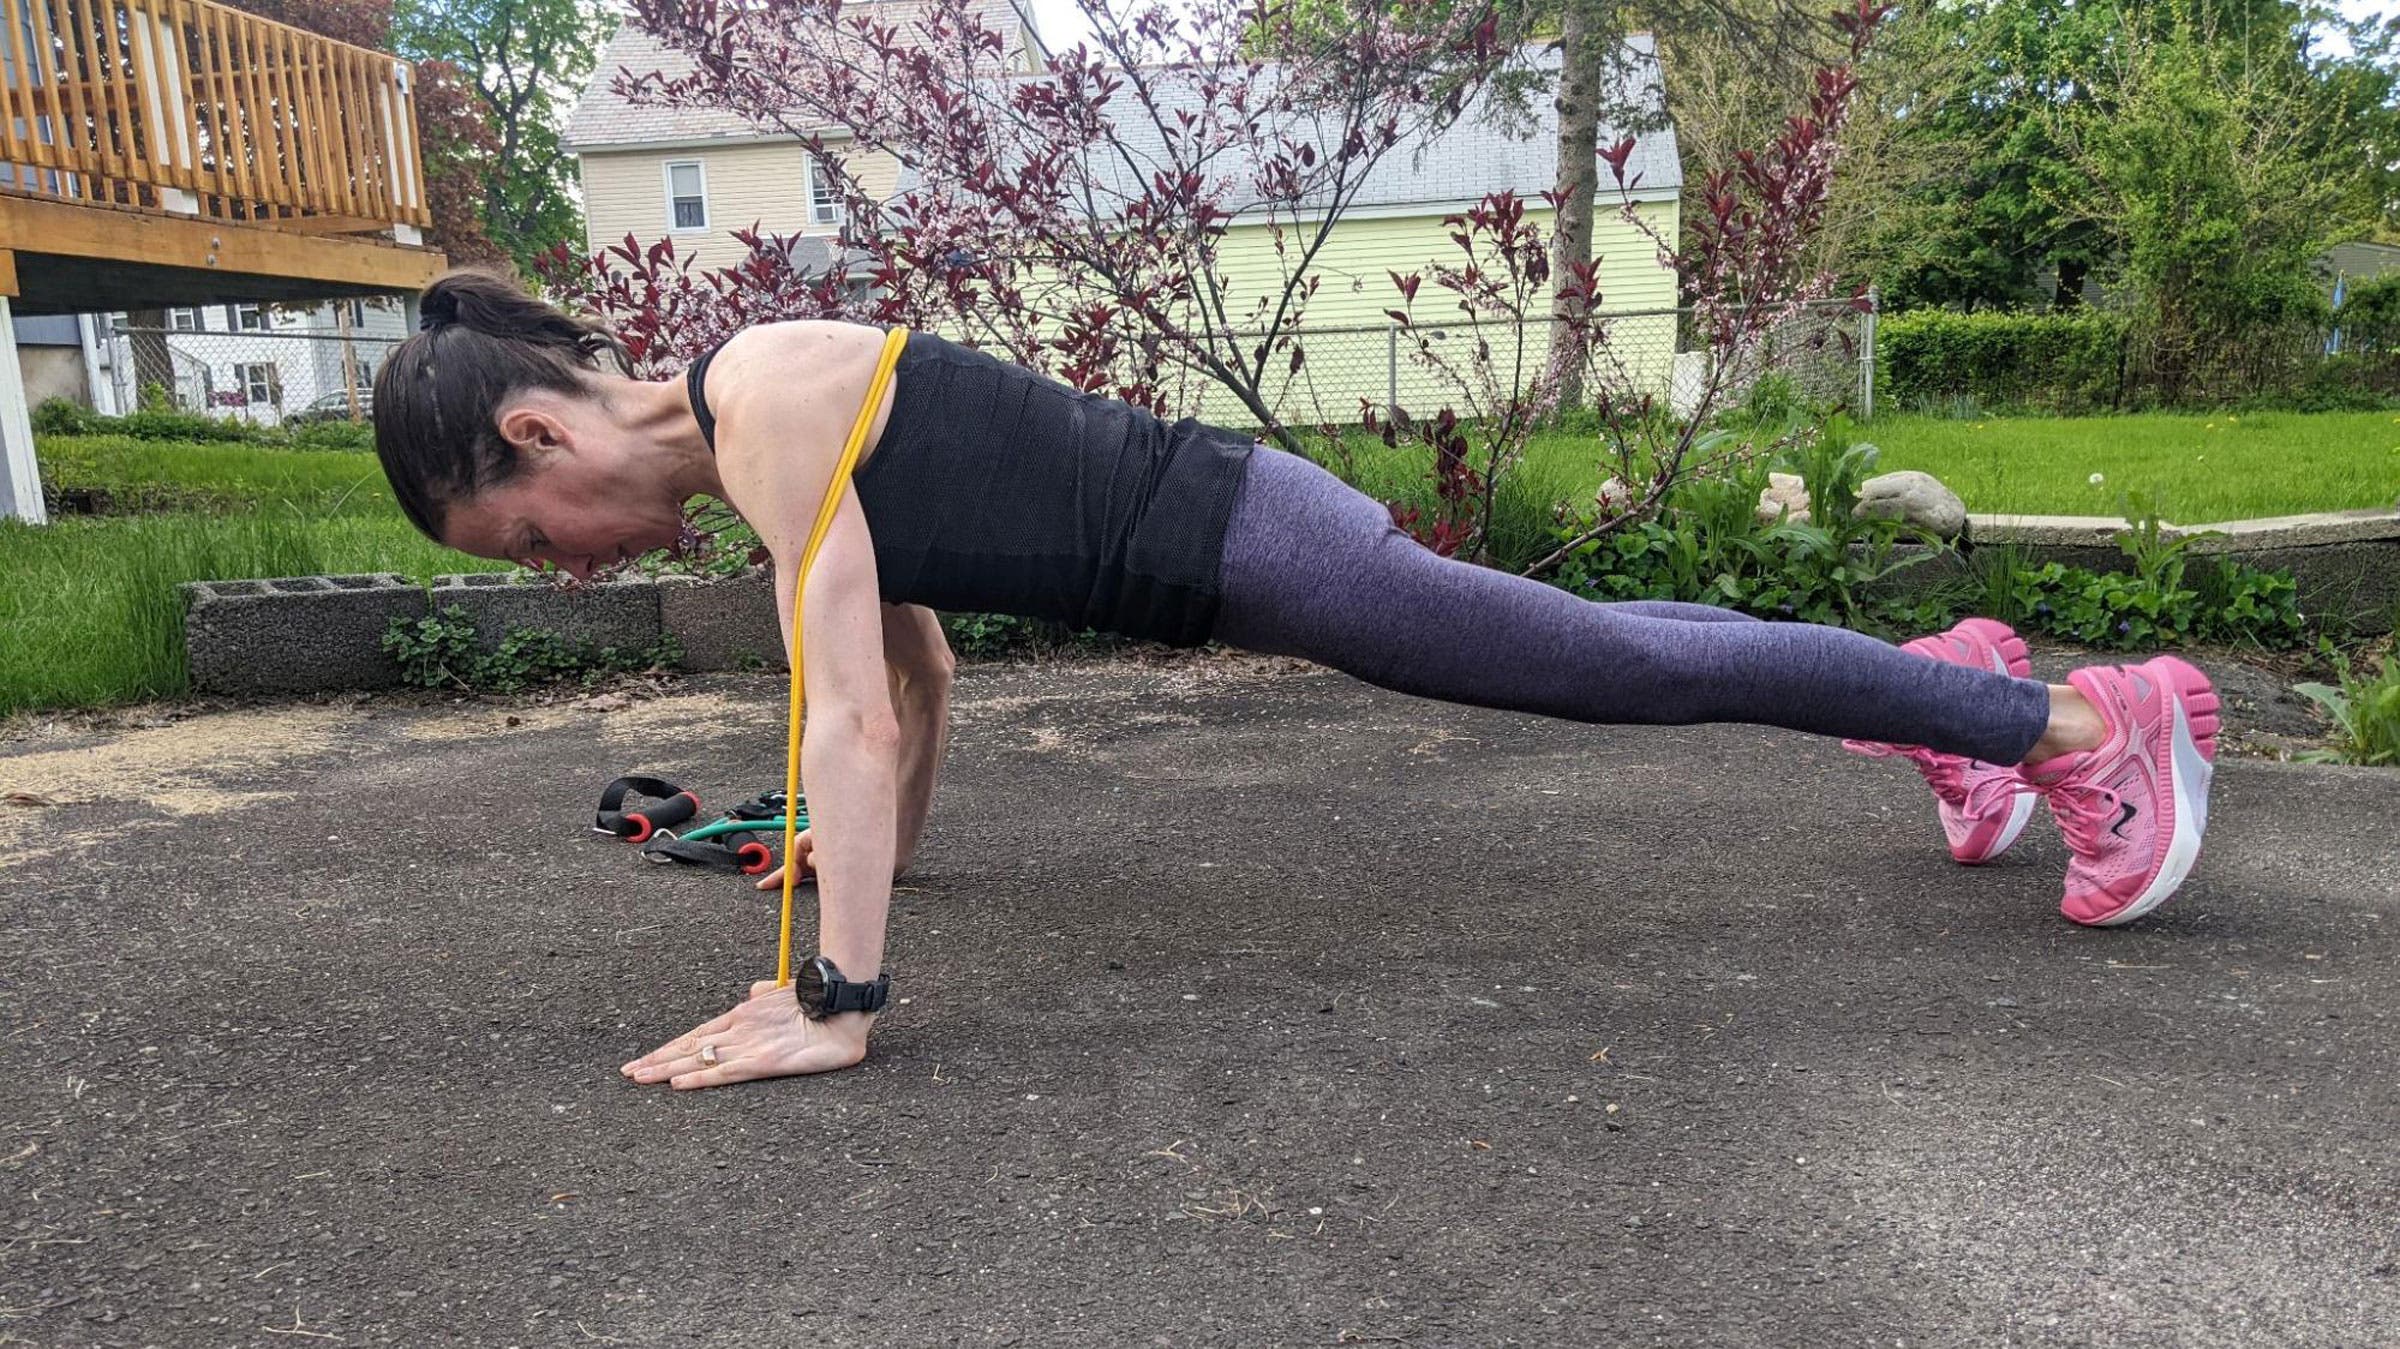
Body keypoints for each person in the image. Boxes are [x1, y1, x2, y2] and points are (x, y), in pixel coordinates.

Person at [373, 270, 2220, 1092]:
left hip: (1270, 545)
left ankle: (2071, 723)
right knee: (1640, 660)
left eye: (530, 534)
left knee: (1630, 667)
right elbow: (912, 675)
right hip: (1249, 542)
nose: (570, 566)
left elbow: (843, 709)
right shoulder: (758, 428)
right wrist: (876, 868)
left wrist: (833, 994)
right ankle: (1951, 691)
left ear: (538, 428)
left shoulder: (760, 403)